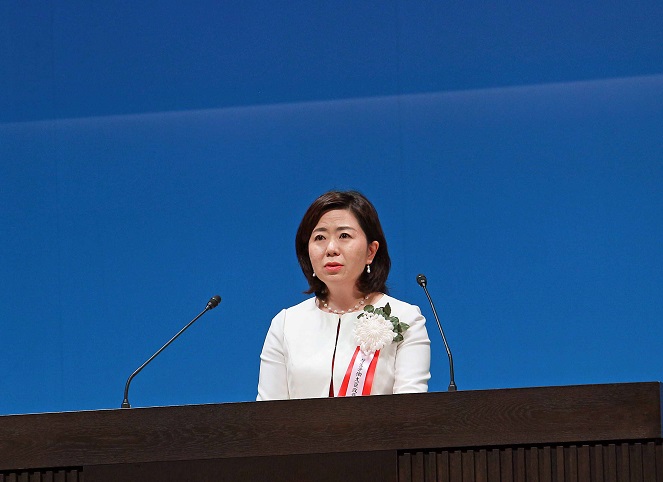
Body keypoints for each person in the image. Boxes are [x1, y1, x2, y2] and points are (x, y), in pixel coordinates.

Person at [257, 190, 431, 400]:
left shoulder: (406, 318)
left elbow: (411, 409)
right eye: (320, 237)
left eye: (344, 236)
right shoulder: (286, 324)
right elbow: (268, 411)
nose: (331, 248)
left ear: (371, 252)